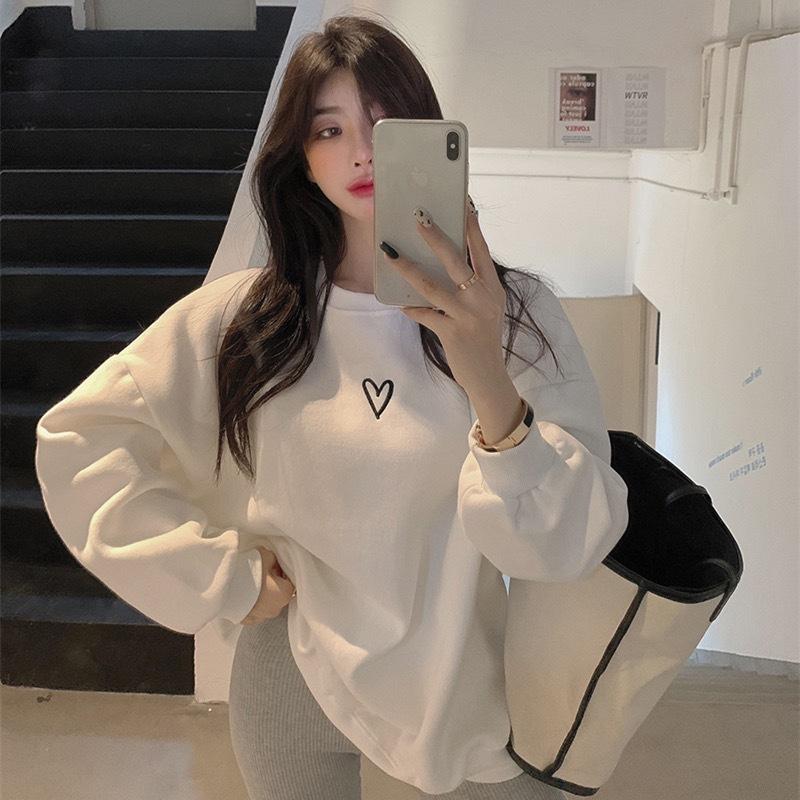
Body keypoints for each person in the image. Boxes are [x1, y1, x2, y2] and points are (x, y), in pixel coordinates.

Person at [34, 12, 629, 800]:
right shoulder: (248, 317)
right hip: (295, 674)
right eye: (329, 128)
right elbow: (78, 440)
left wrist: (485, 374)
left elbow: (566, 543)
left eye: (384, 125)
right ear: (299, 154)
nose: (360, 152)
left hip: (468, 685)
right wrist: (220, 578)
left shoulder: (514, 316)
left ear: (428, 136)